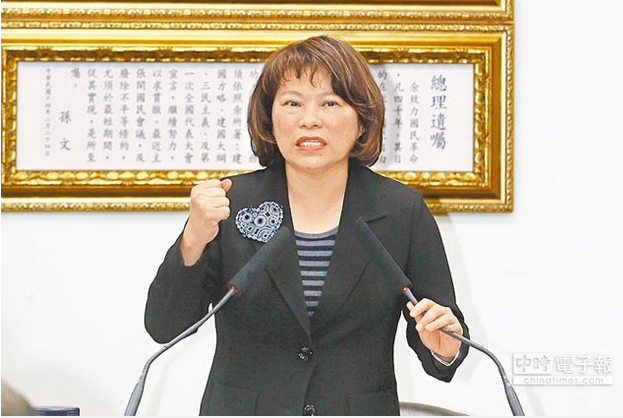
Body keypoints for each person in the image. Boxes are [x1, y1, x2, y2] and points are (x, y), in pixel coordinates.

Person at [145, 35, 469, 416]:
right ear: (270, 118)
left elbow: (443, 337)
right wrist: (193, 240)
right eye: (292, 103)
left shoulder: (401, 211)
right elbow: (164, 325)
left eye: (330, 103)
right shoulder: (230, 203)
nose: (309, 119)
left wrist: (446, 347)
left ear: (362, 120)